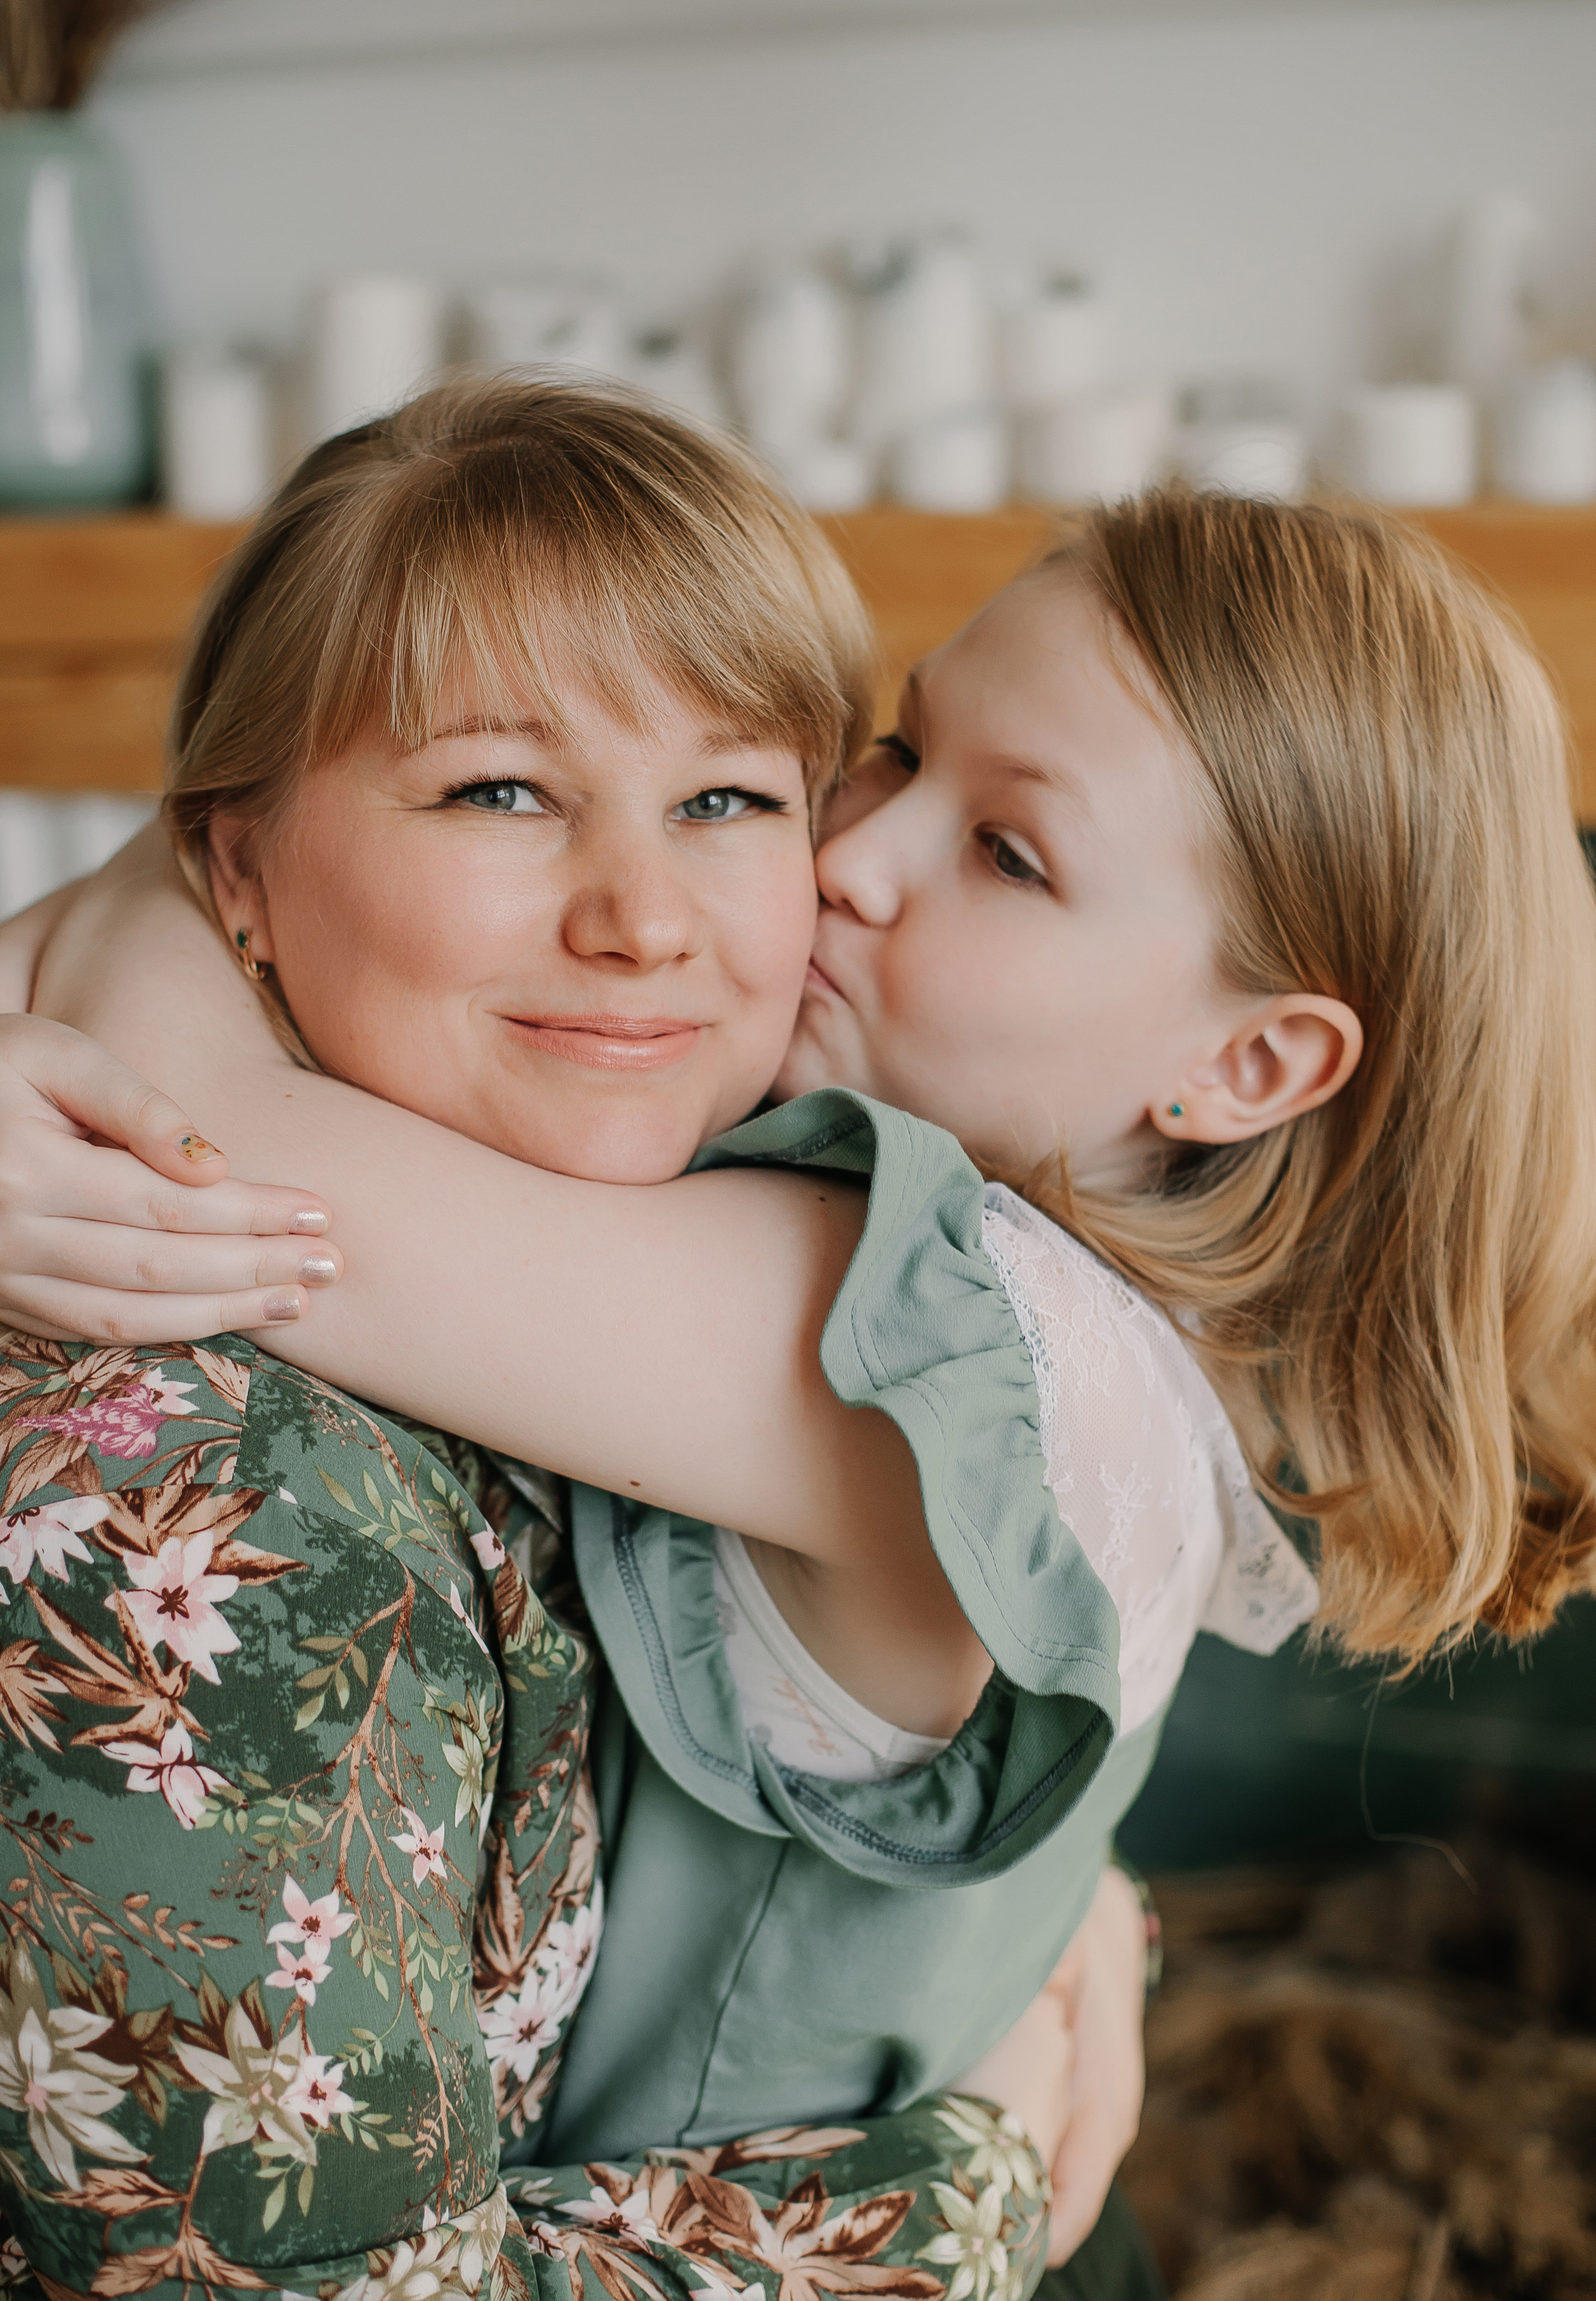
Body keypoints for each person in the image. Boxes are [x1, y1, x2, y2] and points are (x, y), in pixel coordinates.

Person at [6, 385, 1596, 2287]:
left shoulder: (986, 1344)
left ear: (1248, 1063)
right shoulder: (926, 1259)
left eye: (1008, 851)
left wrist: (171, 882)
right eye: (894, 753)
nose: (849, 858)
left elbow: (219, 1164)